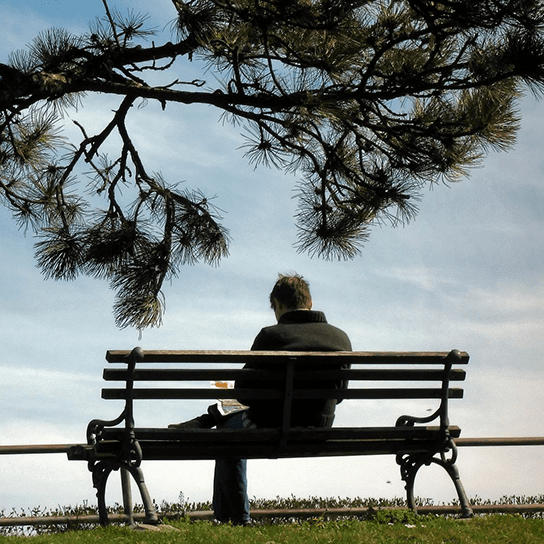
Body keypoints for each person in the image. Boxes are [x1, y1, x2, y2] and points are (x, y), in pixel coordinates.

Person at [171, 274, 352, 525]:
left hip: (268, 426)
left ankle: (234, 518)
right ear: (310, 302)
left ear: (277, 304)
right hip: (318, 428)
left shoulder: (271, 336)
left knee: (227, 432)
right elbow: (340, 394)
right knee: (230, 418)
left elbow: (244, 392)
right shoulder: (339, 338)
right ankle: (205, 420)